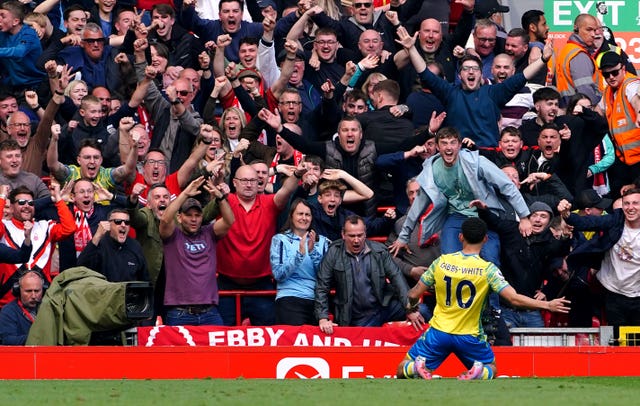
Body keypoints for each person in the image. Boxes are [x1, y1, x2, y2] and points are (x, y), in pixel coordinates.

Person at [397, 217, 571, 380]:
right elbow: (514, 299)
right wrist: (547, 304)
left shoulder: (441, 262)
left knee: (403, 367)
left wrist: (411, 307)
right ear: (485, 239)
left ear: (460, 237)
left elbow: (413, 294)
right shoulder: (488, 269)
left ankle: (415, 368)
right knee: (492, 367)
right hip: (470, 335)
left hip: (439, 332)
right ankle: (480, 371)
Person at [389, 126, 531, 271]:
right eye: (444, 143)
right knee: (449, 262)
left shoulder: (477, 162)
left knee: (490, 260)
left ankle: (491, 294)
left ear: (459, 145)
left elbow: (507, 185)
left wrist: (524, 216)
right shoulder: (431, 170)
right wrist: (403, 237)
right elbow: (418, 204)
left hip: (484, 215)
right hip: (456, 215)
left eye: (452, 143)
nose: (449, 147)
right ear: (437, 147)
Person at [396, 25, 553, 147]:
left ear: (482, 74)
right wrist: (411, 49)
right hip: (459, 156)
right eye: (466, 68)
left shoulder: (494, 93)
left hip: (488, 155)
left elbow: (523, 76)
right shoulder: (450, 93)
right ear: (459, 75)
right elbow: (425, 73)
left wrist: (544, 59)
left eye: (475, 68)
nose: (470, 72)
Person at [216, 163, 306, 326]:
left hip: (261, 285)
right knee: (223, 337)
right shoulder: (224, 201)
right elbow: (213, 191)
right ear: (234, 183)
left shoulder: (269, 203)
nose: (249, 184)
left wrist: (297, 175)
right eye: (244, 180)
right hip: (226, 284)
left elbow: (286, 191)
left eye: (253, 180)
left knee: (268, 336)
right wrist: (218, 178)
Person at [315, 215, 424, 332]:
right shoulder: (333, 252)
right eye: (352, 236)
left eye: (360, 235)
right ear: (343, 235)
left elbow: (396, 277)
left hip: (384, 306)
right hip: (357, 317)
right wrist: (322, 318)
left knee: (422, 311)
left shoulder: (379, 250)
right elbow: (322, 286)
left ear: (365, 234)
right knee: (361, 339)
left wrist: (410, 309)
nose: (356, 240)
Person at [159, 176, 234, 327]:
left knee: (220, 351)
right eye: (189, 215)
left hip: (210, 312)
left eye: (197, 215)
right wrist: (185, 193)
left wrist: (220, 198)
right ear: (179, 218)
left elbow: (229, 221)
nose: (194, 219)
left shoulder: (209, 233)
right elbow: (166, 220)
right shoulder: (172, 236)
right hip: (179, 313)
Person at [561, 189, 640, 328]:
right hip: (613, 291)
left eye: (635, 203)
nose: (630, 207)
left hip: (638, 293)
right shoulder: (616, 219)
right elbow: (587, 222)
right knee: (617, 340)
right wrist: (567, 215)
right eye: (626, 203)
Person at [0, 184, 75, 306]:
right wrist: (2, 197)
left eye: (30, 203)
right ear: (12, 207)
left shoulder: (45, 226)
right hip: (7, 299)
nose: (26, 206)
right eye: (21, 202)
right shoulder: (4, 226)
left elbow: (70, 228)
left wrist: (58, 199)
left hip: (42, 298)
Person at [270, 198, 329, 325]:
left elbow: (326, 276)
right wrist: (299, 256)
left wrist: (313, 252)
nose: (304, 218)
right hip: (289, 299)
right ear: (291, 216)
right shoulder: (280, 239)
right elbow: (278, 275)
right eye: (300, 214)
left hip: (317, 302)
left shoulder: (323, 242)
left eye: (307, 214)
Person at [595, 51, 640, 199]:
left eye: (614, 72)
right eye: (606, 75)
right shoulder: (608, 92)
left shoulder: (631, 84)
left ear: (623, 69)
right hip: (623, 160)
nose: (611, 77)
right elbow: (597, 113)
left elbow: (636, 99)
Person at [77, 209, 149, 283]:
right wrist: (97, 236)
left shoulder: (135, 246)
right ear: (109, 224)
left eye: (127, 222)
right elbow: (81, 268)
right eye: (118, 221)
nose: (123, 225)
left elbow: (144, 277)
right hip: (106, 292)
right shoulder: (100, 243)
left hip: (128, 293)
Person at [555, 13, 602, 106]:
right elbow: (585, 89)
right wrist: (594, 110)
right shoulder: (579, 55)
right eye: (588, 30)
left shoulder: (568, 49)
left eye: (595, 30)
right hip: (581, 109)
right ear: (576, 28)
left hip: (569, 107)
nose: (593, 34)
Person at [0, 1, 45, 92]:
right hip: (11, 86)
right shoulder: (3, 33)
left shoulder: (29, 33)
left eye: (3, 16)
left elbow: (19, 52)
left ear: (15, 21)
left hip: (34, 86)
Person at [0, 269, 44, 345]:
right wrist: (39, 338)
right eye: (28, 291)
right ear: (18, 290)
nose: (33, 296)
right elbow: (7, 340)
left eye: (37, 291)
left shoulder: (50, 309)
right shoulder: (8, 311)